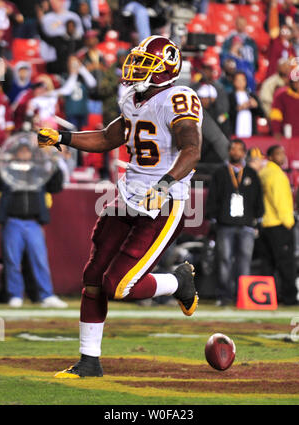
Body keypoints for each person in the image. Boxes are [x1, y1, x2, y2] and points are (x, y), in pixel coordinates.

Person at [37, 35, 202, 378]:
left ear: (165, 69)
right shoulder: (133, 97)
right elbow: (110, 137)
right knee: (93, 276)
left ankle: (178, 281)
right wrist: (64, 137)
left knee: (119, 285)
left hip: (163, 202)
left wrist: (165, 184)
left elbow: (191, 150)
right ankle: (89, 361)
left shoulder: (178, 98)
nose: (135, 67)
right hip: (127, 196)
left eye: (145, 62)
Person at [0, 135, 68, 308]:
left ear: (31, 154)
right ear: (15, 154)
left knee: (40, 260)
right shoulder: (6, 171)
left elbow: (56, 185)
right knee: (12, 261)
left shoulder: (38, 173)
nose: (24, 154)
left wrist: (55, 164)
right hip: (12, 221)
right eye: (20, 151)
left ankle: (46, 295)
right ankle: (15, 295)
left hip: (33, 222)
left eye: (26, 151)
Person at [205, 139, 264, 306]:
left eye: (239, 150)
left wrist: (258, 220)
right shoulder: (220, 172)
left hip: (246, 225)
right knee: (224, 260)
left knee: (244, 262)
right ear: (228, 151)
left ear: (244, 153)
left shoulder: (251, 174)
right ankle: (224, 296)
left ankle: (243, 296)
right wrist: (213, 217)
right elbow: (213, 197)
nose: (235, 152)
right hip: (225, 224)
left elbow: (259, 198)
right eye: (233, 149)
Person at [258, 145, 298, 305]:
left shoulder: (264, 172)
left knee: (268, 264)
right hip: (279, 224)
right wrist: (288, 222)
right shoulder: (276, 174)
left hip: (266, 224)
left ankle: (265, 297)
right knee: (287, 263)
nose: (283, 156)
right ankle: (289, 297)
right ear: (270, 156)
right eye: (278, 154)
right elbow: (279, 200)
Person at [228, 71, 265, 138]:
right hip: (235, 131)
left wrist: (256, 106)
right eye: (238, 80)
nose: (240, 82)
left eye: (243, 79)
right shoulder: (230, 96)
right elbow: (226, 115)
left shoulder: (252, 95)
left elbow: (262, 114)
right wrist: (240, 108)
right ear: (233, 81)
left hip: (251, 132)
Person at [270, 66, 299, 138]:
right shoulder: (281, 94)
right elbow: (276, 115)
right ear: (291, 82)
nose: (297, 84)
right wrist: (276, 131)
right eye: (295, 81)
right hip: (287, 134)